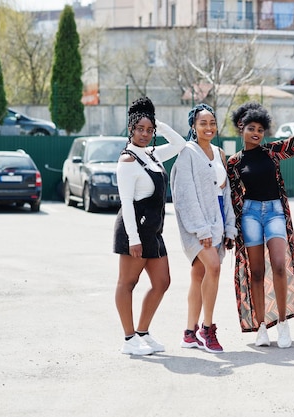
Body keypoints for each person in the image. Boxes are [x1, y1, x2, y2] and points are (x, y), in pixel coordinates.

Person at [227, 87, 294, 348]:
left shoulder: (272, 152)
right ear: (242, 128)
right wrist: (228, 231)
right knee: (256, 273)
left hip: (274, 212)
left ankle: (283, 324)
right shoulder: (234, 162)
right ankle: (261, 327)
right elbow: (229, 198)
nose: (256, 133)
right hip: (249, 214)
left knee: (278, 265)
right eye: (251, 128)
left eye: (260, 130)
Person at [113, 96, 186, 355]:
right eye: (139, 129)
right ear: (130, 129)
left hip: (154, 230)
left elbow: (179, 144)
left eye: (149, 130)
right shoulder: (128, 161)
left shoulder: (153, 154)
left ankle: (143, 331)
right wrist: (133, 238)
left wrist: (157, 122)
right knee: (127, 283)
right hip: (135, 230)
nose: (144, 134)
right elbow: (126, 203)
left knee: (162, 281)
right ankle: (129, 339)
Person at [170, 103, 236, 353]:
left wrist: (228, 228)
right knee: (215, 268)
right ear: (193, 126)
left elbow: (225, 192)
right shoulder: (188, 153)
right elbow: (184, 195)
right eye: (202, 123)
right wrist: (202, 230)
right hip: (197, 226)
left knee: (199, 275)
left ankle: (189, 333)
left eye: (212, 123)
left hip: (217, 222)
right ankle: (207, 330)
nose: (208, 127)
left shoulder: (219, 153)